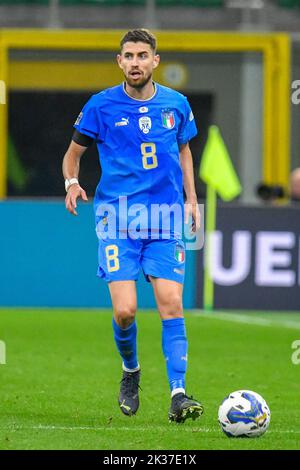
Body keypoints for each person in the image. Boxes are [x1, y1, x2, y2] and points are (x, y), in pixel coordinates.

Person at [62, 29, 203, 423]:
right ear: (119, 61)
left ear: (155, 61)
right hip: (117, 219)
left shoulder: (177, 104)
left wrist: (192, 199)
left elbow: (185, 151)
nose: (136, 62)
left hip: (165, 218)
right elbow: (72, 156)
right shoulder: (100, 106)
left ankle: (178, 394)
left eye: (143, 55)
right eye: (129, 56)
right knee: (125, 312)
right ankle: (130, 371)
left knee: (171, 303)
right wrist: (72, 183)